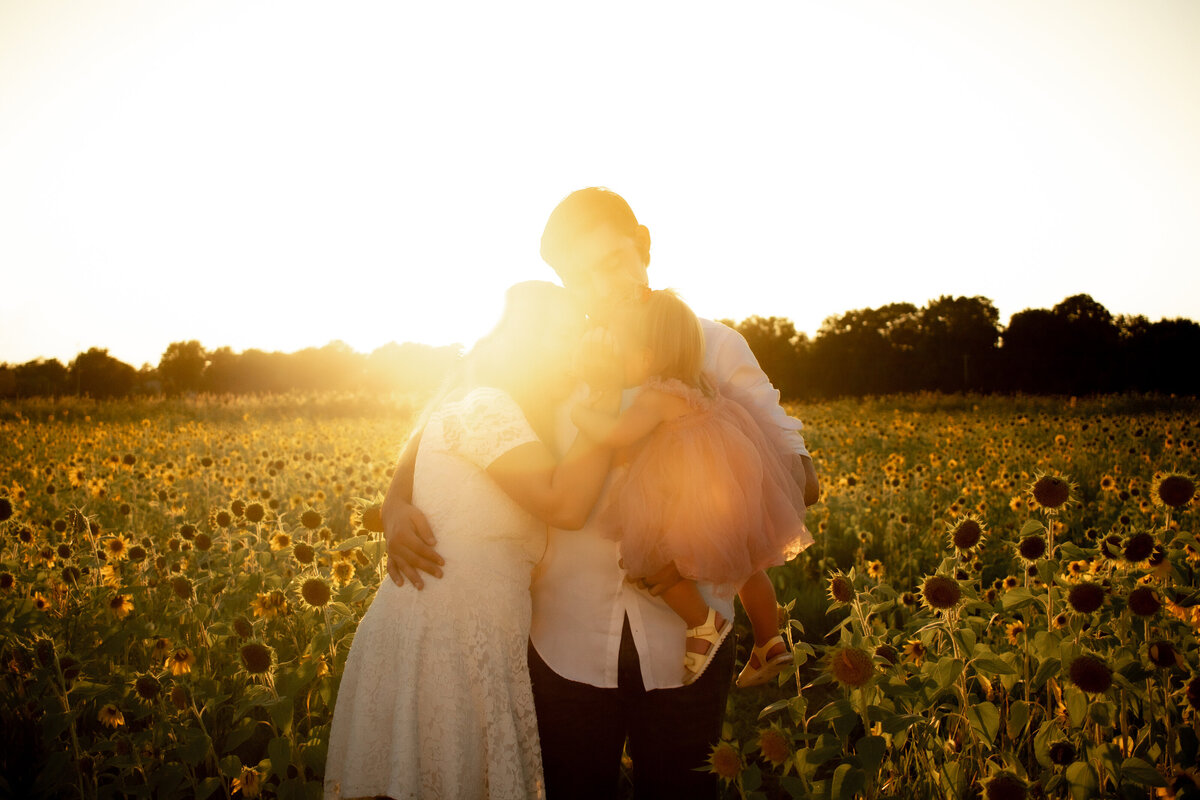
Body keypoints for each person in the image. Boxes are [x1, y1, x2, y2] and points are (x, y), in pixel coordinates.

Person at [383, 188, 820, 799]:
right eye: (582, 277)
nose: (605, 285)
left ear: (643, 243)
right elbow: (458, 404)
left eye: (614, 261)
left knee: (681, 791)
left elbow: (796, 472)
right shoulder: (554, 351)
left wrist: (701, 539)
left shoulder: (712, 344)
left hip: (690, 634)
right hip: (561, 630)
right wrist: (396, 500)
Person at [324, 281, 620, 800]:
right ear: (523, 341)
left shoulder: (499, 407)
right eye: (563, 335)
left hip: (471, 633)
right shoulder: (486, 406)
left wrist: (394, 506)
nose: (576, 350)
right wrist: (609, 401)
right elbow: (564, 506)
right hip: (447, 638)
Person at [570, 288, 812, 688]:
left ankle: (702, 623)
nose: (617, 360)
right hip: (729, 485)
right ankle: (770, 640)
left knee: (646, 555)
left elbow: (616, 434)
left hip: (686, 493)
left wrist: (583, 413)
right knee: (746, 565)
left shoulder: (656, 396)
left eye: (623, 352)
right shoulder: (702, 381)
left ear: (646, 357)